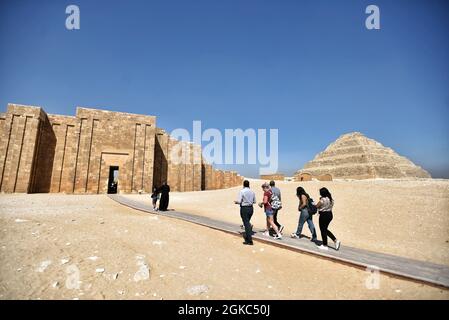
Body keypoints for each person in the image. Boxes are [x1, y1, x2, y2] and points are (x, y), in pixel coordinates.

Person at [234, 180, 256, 245]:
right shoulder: (252, 192)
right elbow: (254, 201)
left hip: (244, 209)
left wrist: (236, 202)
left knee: (246, 223)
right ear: (249, 185)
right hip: (251, 208)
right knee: (247, 223)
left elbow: (239, 201)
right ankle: (248, 231)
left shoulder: (242, 191)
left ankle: (249, 240)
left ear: (243, 185)